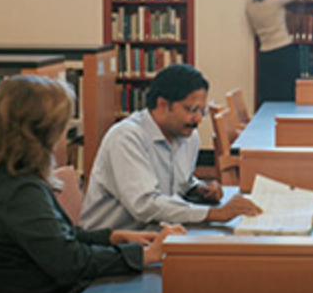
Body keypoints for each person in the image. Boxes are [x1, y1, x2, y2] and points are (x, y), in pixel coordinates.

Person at [0, 75, 185, 293]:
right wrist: (144, 255)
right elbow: (70, 263)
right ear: (40, 132)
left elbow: (55, 238)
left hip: (29, 291)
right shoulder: (20, 191)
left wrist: (114, 237)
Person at [81, 64, 262, 230]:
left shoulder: (189, 137)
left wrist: (198, 189)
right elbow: (145, 205)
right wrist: (214, 213)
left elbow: (178, 183)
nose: (199, 119)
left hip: (158, 233)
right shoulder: (127, 137)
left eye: (202, 111)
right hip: (114, 244)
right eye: (192, 110)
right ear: (162, 105)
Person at [246, 0, 305, 104]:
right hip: (284, 53)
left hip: (265, 56)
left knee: (270, 99)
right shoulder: (276, 0)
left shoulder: (250, 6)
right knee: (290, 97)